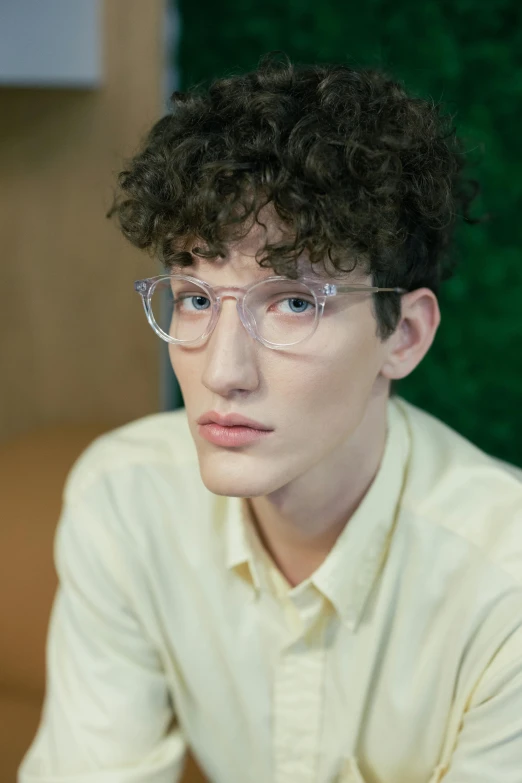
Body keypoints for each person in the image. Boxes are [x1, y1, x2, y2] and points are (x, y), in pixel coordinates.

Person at [19, 52, 522, 783]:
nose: (222, 371)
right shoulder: (126, 500)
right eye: (195, 296)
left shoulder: (503, 582)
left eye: (293, 302)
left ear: (403, 335)